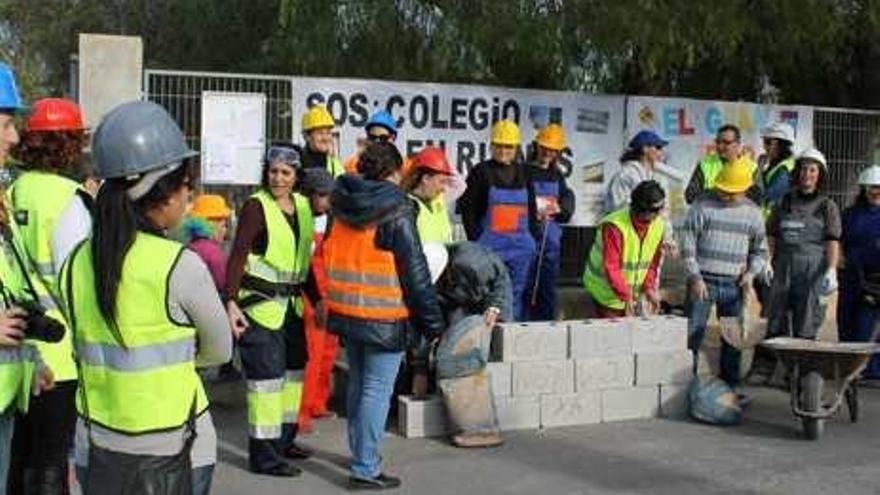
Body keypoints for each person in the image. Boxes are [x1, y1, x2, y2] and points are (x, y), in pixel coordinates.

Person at [60, 100, 231, 495]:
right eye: (187, 183)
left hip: (96, 444)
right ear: (162, 189)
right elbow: (220, 351)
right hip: (176, 447)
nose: (190, 193)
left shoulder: (75, 263)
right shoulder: (180, 265)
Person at [323, 141, 444, 489]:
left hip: (347, 309)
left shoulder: (341, 201)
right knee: (376, 390)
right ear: (395, 171)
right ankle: (365, 467)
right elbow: (415, 272)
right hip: (384, 316)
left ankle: (361, 453)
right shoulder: (397, 208)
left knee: (360, 386)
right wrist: (433, 323)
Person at [7, 97, 92, 495]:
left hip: (17, 347)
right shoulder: (70, 198)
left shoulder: (11, 192)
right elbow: (79, 280)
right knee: (52, 459)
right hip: (58, 351)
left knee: (18, 455)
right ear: (70, 145)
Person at [225, 142, 320, 476]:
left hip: (292, 307)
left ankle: (283, 441)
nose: (278, 178)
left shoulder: (304, 207)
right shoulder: (256, 206)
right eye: (273, 171)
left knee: (293, 376)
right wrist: (230, 301)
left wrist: (318, 299)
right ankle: (265, 457)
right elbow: (237, 255)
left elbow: (302, 263)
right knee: (266, 383)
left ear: (296, 176)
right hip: (260, 308)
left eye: (285, 172)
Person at [0, 61, 54, 495]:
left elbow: (10, 288)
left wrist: (31, 360)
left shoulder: (2, 199)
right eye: (4, 124)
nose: (14, 137)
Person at [681, 157, 768, 396]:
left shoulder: (753, 213)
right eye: (723, 190)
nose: (726, 196)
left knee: (732, 341)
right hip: (703, 281)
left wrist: (751, 273)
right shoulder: (702, 205)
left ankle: (729, 389)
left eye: (733, 192)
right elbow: (687, 243)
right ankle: (686, 385)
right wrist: (695, 276)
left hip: (735, 285)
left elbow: (760, 250)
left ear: (744, 189)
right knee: (693, 335)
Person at [423, 241, 511, 448]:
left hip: (487, 299)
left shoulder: (472, 262)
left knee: (494, 345)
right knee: (459, 356)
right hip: (461, 302)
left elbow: (501, 278)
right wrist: (420, 364)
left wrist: (496, 306)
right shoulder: (436, 280)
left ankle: (484, 420)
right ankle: (471, 420)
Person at [457, 119, 537, 321]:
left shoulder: (525, 172)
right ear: (492, 145)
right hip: (490, 249)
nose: (503, 150)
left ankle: (510, 339)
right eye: (499, 145)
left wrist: (532, 240)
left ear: (516, 148)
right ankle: (486, 342)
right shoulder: (480, 172)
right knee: (487, 297)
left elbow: (532, 209)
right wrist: (477, 244)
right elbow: (469, 210)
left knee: (516, 296)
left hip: (521, 250)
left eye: (508, 146)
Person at [766, 148, 840, 339]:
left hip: (812, 271)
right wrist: (766, 260)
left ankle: (804, 367)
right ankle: (768, 367)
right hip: (782, 268)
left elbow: (832, 240)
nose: (807, 174)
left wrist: (831, 270)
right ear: (797, 172)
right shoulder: (784, 201)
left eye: (812, 170)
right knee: (775, 320)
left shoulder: (827, 206)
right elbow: (772, 234)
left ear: (820, 175)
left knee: (806, 322)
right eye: (803, 169)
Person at [583, 181, 667, 318]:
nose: (654, 218)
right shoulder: (615, 226)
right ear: (636, 209)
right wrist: (626, 295)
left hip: (628, 294)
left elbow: (652, 263)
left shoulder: (658, 226)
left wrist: (649, 288)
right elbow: (612, 266)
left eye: (657, 213)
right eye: (648, 217)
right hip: (605, 292)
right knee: (613, 336)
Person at [297, 168, 339, 433]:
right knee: (311, 355)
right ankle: (301, 411)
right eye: (322, 195)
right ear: (309, 195)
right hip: (310, 295)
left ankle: (318, 403)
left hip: (330, 292)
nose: (327, 201)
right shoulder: (301, 218)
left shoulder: (333, 219)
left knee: (327, 353)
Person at [525, 123, 574, 320]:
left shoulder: (558, 175)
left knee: (547, 288)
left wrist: (562, 209)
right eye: (544, 147)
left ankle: (544, 327)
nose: (547, 152)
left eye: (552, 149)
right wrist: (532, 213)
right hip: (528, 238)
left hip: (551, 242)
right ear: (536, 146)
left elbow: (566, 202)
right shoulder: (524, 171)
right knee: (526, 286)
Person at [839, 164, 880, 379]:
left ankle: (873, 371)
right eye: (872, 186)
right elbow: (838, 242)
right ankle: (848, 367)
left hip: (876, 282)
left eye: (879, 187)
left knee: (868, 325)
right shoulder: (850, 214)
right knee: (847, 321)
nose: (876, 191)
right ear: (864, 188)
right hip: (851, 277)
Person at [685, 124, 762, 205]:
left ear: (738, 144)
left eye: (726, 142)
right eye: (718, 142)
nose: (720, 146)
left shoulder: (752, 167)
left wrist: (735, 193)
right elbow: (690, 196)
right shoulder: (705, 164)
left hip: (741, 215)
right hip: (711, 215)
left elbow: (759, 198)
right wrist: (718, 193)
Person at [402, 146, 455, 243]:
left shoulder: (437, 201)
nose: (444, 188)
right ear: (425, 179)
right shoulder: (405, 206)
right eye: (442, 181)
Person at [181, 194, 232, 292]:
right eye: (223, 226)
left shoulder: (189, 247)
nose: (225, 231)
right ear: (211, 223)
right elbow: (224, 285)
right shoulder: (213, 253)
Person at [758, 122, 797, 217]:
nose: (764, 147)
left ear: (780, 144)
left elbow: (769, 195)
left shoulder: (785, 168)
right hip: (769, 218)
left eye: (768, 142)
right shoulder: (776, 164)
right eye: (764, 142)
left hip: (775, 220)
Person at [301, 105, 345, 177]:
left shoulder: (335, 164)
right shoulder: (298, 163)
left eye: (328, 133)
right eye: (319, 133)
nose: (325, 138)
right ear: (307, 136)